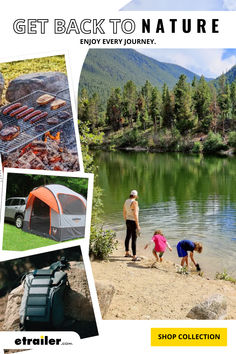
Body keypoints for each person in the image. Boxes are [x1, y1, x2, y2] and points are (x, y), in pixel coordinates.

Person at [123, 189, 141, 261]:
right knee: (134, 239)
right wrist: (138, 224)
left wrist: (126, 220)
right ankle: (134, 256)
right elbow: (135, 214)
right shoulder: (135, 202)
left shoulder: (126, 201)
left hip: (128, 221)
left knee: (128, 236)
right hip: (133, 222)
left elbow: (124, 211)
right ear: (135, 195)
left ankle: (127, 253)